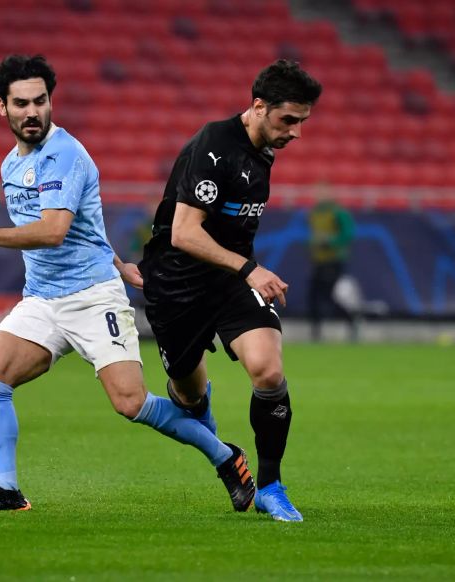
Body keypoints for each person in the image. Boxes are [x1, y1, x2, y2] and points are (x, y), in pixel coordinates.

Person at [0, 54, 254, 512]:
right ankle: (7, 490)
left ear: (50, 102)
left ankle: (226, 457)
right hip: (42, 298)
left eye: (40, 101)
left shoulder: (65, 154)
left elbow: (54, 230)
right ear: (1, 107)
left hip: (90, 297)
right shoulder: (10, 164)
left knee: (130, 403)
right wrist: (120, 261)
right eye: (20, 103)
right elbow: (85, 226)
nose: (32, 112)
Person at [139, 59, 322, 522]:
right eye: (289, 120)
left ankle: (271, 486)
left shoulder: (265, 146)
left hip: (229, 281)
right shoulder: (214, 146)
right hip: (177, 285)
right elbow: (183, 232)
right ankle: (216, 440)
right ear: (258, 107)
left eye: (302, 121)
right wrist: (249, 268)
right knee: (188, 398)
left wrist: (243, 272)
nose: (296, 132)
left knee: (268, 372)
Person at [308, 197, 357, 342]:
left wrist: (330, 242)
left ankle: (351, 321)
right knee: (313, 297)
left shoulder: (338, 213)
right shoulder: (315, 213)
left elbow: (348, 234)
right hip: (319, 261)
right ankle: (316, 332)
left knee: (330, 296)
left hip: (333, 262)